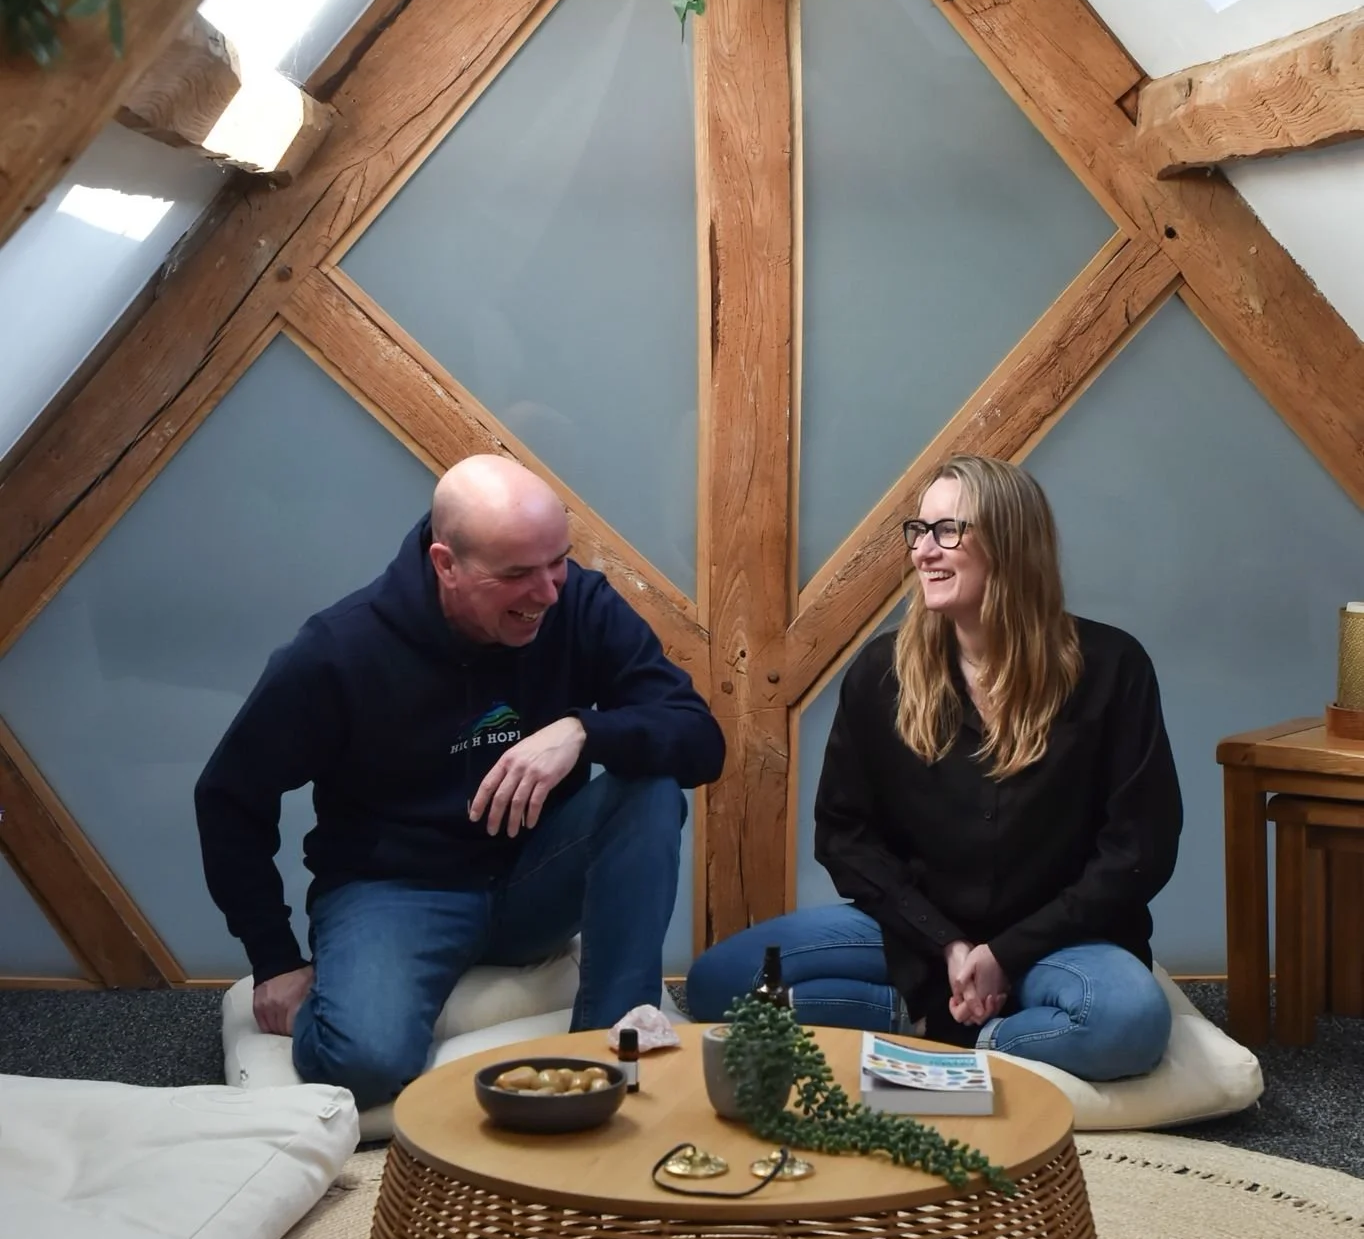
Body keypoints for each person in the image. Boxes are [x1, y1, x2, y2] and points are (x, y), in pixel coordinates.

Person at [196, 454, 725, 1108]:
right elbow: (227, 798)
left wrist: (584, 730)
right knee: (363, 1065)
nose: (547, 592)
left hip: (533, 881)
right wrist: (273, 957)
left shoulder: (579, 604)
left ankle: (608, 1048)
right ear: (446, 564)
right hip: (395, 890)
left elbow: (701, 741)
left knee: (648, 790)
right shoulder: (340, 650)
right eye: (517, 575)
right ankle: (348, 1018)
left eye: (557, 560)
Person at [687, 454, 1181, 1082]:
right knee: (719, 985)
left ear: (1010, 543)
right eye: (919, 531)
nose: (925, 551)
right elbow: (845, 837)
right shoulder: (881, 674)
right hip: (919, 942)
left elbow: (1139, 848)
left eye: (949, 530)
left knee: (1129, 1020)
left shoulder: (1114, 667)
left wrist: (1006, 954)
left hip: (1065, 942)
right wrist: (947, 945)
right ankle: (937, 1020)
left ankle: (961, 1037)